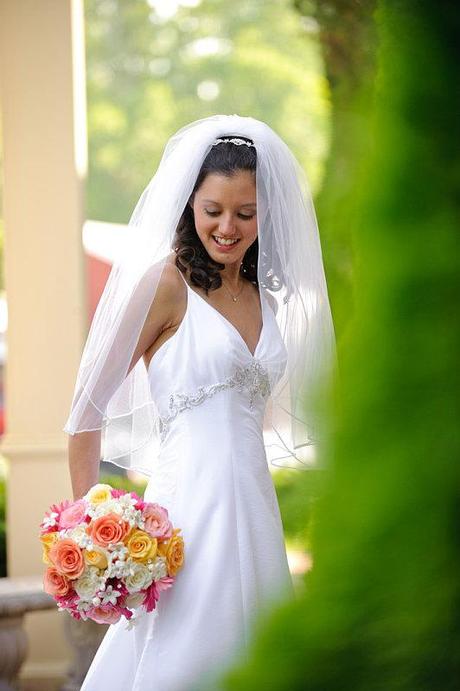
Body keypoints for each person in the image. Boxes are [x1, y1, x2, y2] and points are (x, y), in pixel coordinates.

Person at [64, 115, 336, 690]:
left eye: (245, 213)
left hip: (256, 508)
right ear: (190, 205)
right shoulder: (164, 285)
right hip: (184, 512)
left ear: (266, 214)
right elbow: (86, 409)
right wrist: (88, 526)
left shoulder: (268, 297)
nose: (228, 227)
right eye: (213, 210)